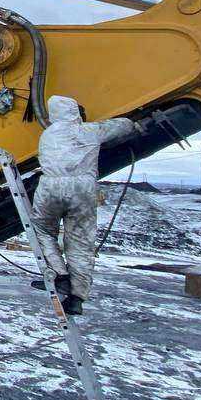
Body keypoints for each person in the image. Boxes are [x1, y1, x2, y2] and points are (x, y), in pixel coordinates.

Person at [30, 95, 138, 315]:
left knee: (42, 230)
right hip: (82, 189)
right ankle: (77, 297)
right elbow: (120, 127)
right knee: (80, 241)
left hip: (50, 187)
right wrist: (133, 124)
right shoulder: (91, 131)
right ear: (76, 113)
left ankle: (59, 274)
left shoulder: (47, 135)